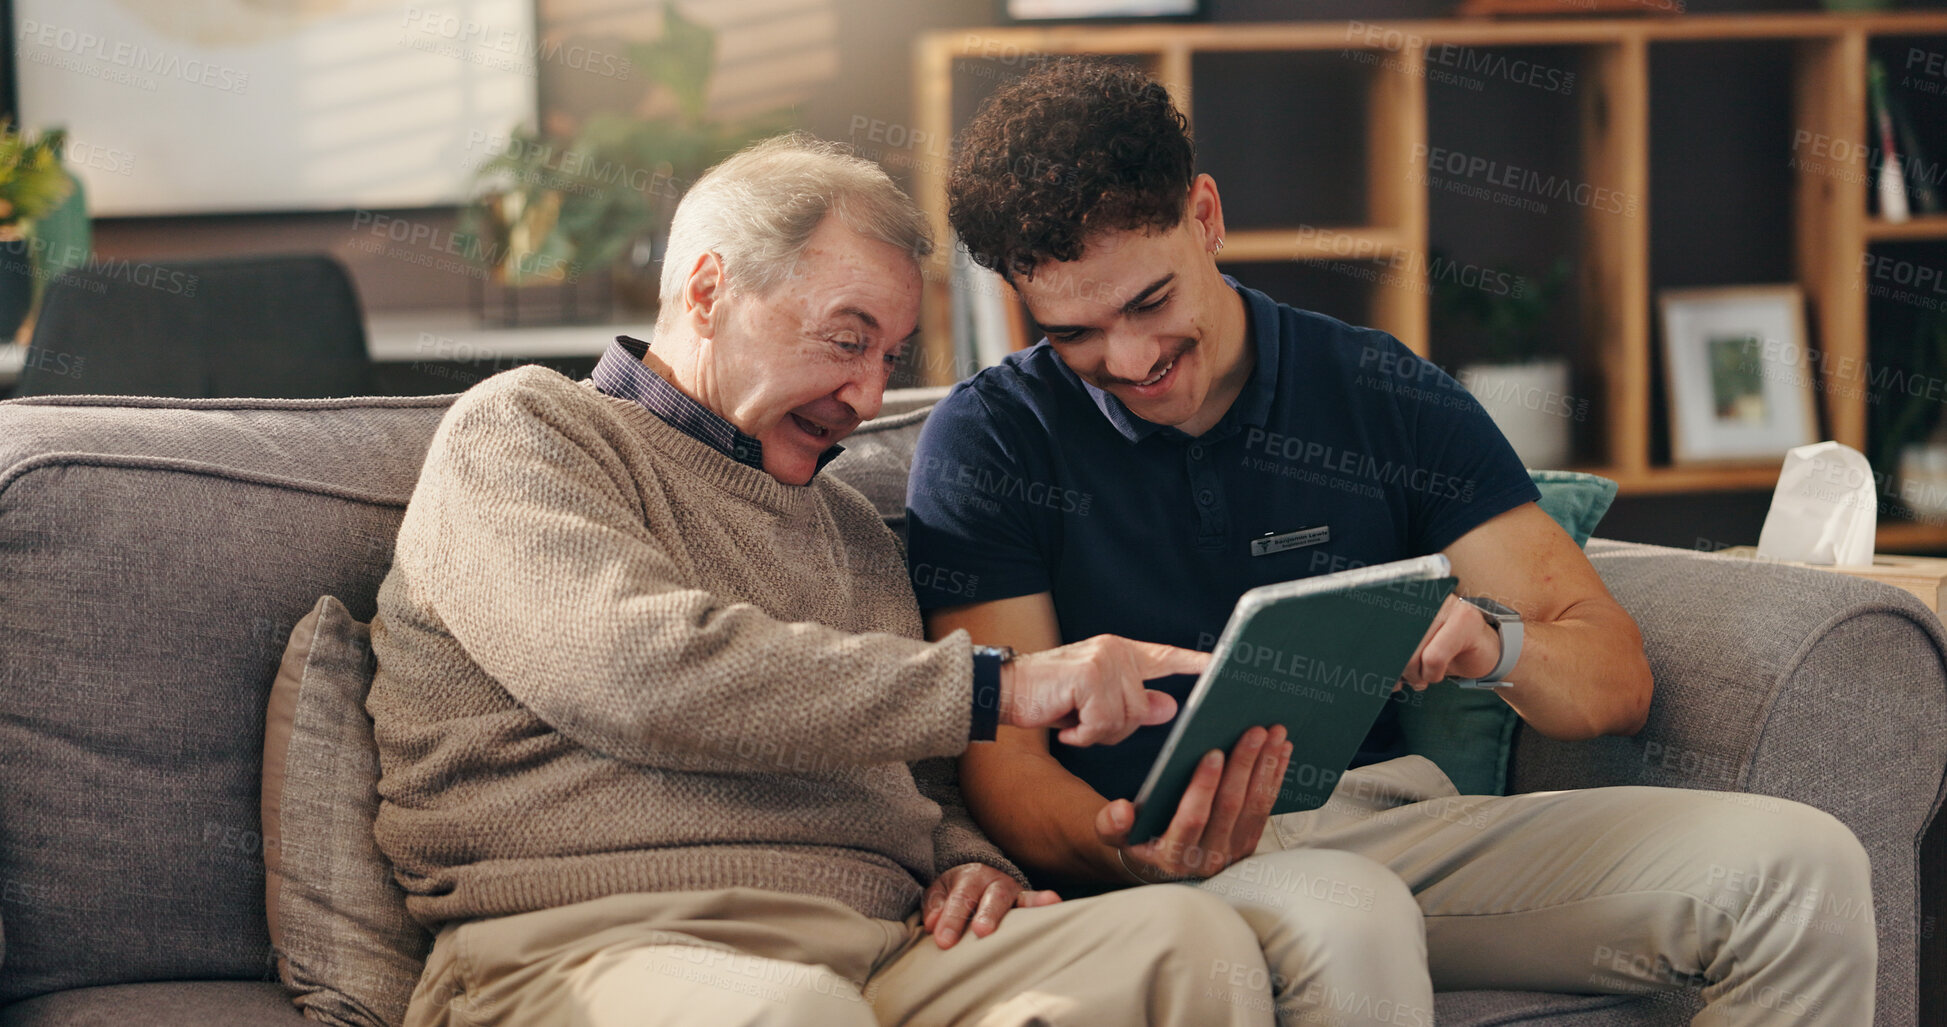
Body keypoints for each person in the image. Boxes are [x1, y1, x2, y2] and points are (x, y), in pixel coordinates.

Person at [910, 59, 1877, 1026]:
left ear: (1204, 216)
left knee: (1805, 869)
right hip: (1156, 872)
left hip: (1390, 826)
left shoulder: (1378, 390)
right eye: (1077, 333)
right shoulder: (990, 440)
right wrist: (1123, 847)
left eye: (1151, 302)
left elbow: (1612, 679)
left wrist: (1493, 643)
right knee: (1346, 910)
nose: (1128, 362)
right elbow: (1006, 763)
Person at [367, 132, 1281, 1027]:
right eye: (847, 340)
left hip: (878, 946)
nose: (868, 399)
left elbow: (925, 780)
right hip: (592, 942)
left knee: (1183, 937)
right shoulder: (527, 431)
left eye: (888, 358)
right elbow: (639, 672)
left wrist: (970, 863)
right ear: (708, 291)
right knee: (794, 1010)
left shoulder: (848, 528)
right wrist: (1004, 682)